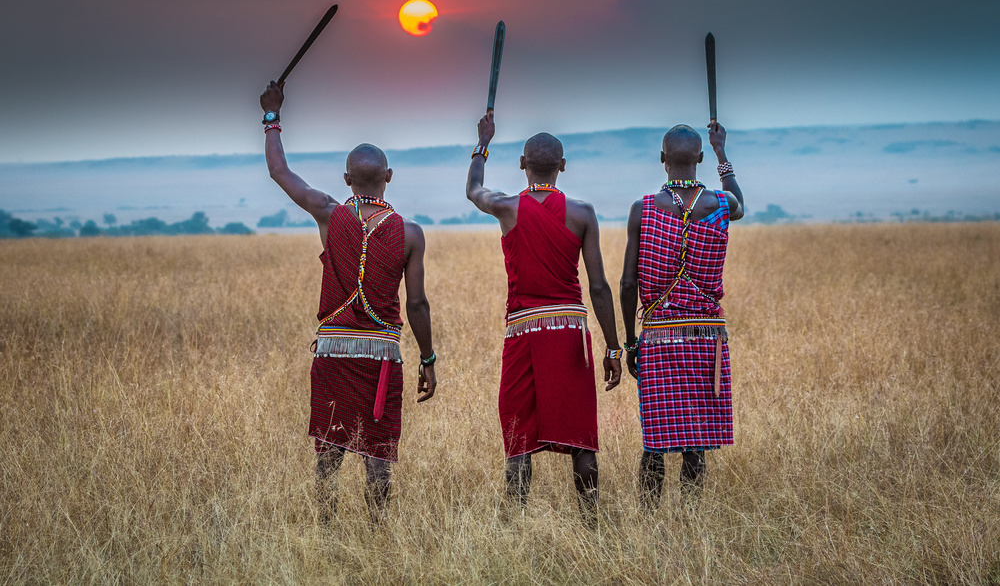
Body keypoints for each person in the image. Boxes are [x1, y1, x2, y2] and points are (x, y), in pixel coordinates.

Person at [259, 81, 437, 523]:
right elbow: (417, 305)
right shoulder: (409, 233)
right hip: (381, 355)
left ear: (346, 181)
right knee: (377, 450)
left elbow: (280, 173)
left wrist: (271, 118)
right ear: (389, 177)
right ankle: (378, 532)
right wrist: (428, 358)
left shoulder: (328, 212)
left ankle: (326, 530)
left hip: (333, 352)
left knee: (330, 448)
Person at [466, 111, 622, 523]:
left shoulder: (505, 207)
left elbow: (473, 189)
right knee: (581, 434)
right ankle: (592, 527)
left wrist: (482, 142)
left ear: (522, 165)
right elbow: (600, 287)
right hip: (570, 332)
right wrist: (614, 347)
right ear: (563, 166)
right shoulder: (583, 212)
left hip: (522, 332)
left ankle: (514, 526)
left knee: (519, 435)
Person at [619, 121, 745, 508]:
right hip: (706, 340)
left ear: (662, 160)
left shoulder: (644, 209)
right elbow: (740, 201)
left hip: (658, 337)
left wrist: (629, 342)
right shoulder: (721, 205)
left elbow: (626, 285)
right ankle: (690, 520)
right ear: (700, 159)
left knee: (656, 438)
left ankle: (650, 520)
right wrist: (723, 152)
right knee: (695, 438)